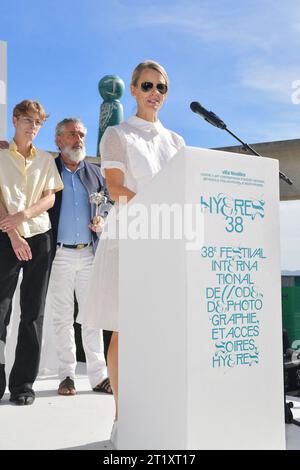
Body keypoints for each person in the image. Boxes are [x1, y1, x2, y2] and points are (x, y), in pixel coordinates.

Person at [79, 60, 185, 447]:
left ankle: (159, 411)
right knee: (126, 327)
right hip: (132, 238)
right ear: (135, 91)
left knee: (163, 327)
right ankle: (123, 419)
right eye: (147, 85)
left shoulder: (176, 142)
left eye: (162, 87)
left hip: (170, 240)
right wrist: (159, 212)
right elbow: (116, 188)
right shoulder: (117, 134)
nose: (155, 93)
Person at [0, 99, 63, 405]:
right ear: (14, 119)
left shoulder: (46, 159)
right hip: (4, 236)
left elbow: (49, 198)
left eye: (38, 123)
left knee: (33, 312)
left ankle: (23, 385)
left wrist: (23, 216)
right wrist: (12, 232)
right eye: (27, 120)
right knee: (0, 311)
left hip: (40, 237)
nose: (33, 127)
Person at [47, 118, 112, 396]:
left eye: (82, 134)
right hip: (58, 254)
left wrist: (102, 220)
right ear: (59, 140)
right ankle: (67, 376)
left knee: (92, 317)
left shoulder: (96, 172)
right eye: (73, 134)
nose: (79, 139)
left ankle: (99, 376)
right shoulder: (48, 169)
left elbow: (107, 201)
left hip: (89, 254)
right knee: (62, 317)